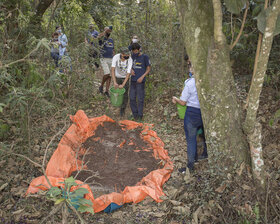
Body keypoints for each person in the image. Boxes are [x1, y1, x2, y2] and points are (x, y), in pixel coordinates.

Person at [172, 66, 208, 173]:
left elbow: (183, 102)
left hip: (192, 113)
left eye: (191, 67)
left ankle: (191, 165)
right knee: (204, 135)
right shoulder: (206, 81)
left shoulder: (190, 83)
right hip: (205, 113)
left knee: (191, 140)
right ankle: (205, 154)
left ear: (193, 70)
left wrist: (175, 99)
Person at [130, 43, 151, 121]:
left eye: (136, 51)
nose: (135, 52)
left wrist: (142, 77)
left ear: (139, 50)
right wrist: (131, 70)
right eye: (133, 51)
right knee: (132, 98)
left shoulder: (145, 57)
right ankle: (135, 115)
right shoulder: (132, 57)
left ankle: (140, 115)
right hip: (133, 80)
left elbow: (148, 69)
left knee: (140, 99)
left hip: (140, 81)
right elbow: (129, 65)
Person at [111, 47, 133, 117]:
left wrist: (123, 84)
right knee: (117, 91)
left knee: (125, 94)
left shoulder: (130, 59)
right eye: (125, 55)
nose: (127, 56)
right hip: (117, 77)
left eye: (128, 55)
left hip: (125, 78)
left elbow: (128, 73)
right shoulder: (116, 57)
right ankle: (117, 103)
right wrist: (114, 82)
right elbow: (112, 70)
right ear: (121, 54)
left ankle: (122, 109)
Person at [98, 26, 114, 97]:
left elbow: (113, 49)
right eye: (107, 30)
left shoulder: (111, 40)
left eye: (109, 31)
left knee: (110, 75)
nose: (108, 32)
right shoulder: (102, 39)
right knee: (107, 73)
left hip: (111, 58)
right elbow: (98, 37)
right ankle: (101, 86)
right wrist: (104, 32)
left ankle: (107, 91)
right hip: (103, 58)